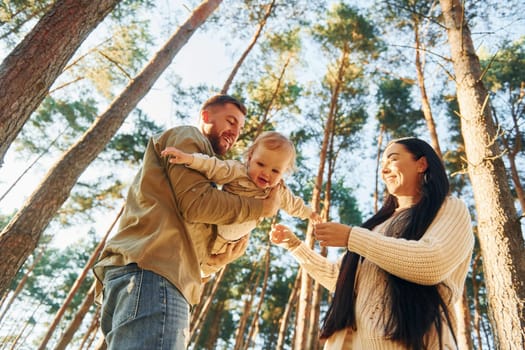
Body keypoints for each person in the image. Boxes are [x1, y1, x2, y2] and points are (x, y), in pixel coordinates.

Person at [93, 94, 281, 350]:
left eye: (239, 128)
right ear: (206, 116)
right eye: (230, 121)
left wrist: (219, 256)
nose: (235, 132)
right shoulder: (188, 137)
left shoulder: (203, 167)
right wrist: (261, 207)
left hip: (143, 276)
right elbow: (197, 204)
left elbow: (190, 224)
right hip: (154, 275)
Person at [270, 137, 474, 349]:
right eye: (382, 163)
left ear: (421, 164)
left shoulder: (450, 207)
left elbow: (432, 262)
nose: (383, 169)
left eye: (392, 159)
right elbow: (338, 279)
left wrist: (352, 237)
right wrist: (295, 246)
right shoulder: (376, 226)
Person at [160, 130, 321, 257]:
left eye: (275, 170)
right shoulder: (238, 171)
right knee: (188, 250)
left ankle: (202, 275)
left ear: (284, 172)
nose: (266, 173)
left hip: (229, 243)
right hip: (210, 228)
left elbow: (294, 205)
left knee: (213, 263)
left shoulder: (278, 192)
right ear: (250, 158)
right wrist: (189, 159)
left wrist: (310, 214)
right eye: (261, 164)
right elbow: (213, 166)